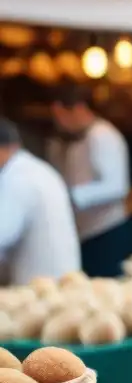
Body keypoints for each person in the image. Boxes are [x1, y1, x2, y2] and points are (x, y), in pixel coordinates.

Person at [47, 83, 132, 277]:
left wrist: (73, 196)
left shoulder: (103, 136)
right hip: (79, 230)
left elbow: (117, 187)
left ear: (79, 109)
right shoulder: (62, 140)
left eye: (61, 114)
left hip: (105, 230)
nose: (58, 121)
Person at [0, 118, 80, 285]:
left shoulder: (18, 179)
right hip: (57, 278)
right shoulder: (33, 169)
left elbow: (3, 233)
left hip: (42, 283)